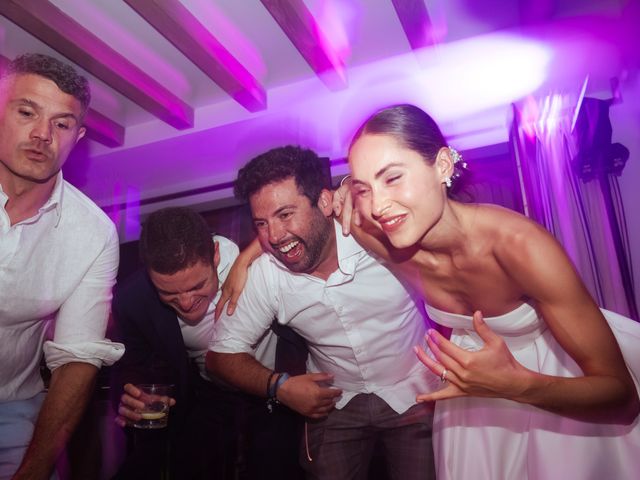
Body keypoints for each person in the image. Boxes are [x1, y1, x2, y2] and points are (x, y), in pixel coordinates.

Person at [335, 103, 640, 479]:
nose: (378, 206)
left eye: (393, 178)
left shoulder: (519, 246)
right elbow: (305, 214)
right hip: (474, 394)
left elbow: (623, 400)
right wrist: (246, 259)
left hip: (560, 381)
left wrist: (516, 385)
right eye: (366, 188)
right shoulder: (381, 237)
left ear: (443, 166)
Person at [206, 146, 439, 480]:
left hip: (416, 390)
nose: (273, 236)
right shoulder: (266, 275)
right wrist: (279, 387)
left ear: (326, 202)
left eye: (285, 215)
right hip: (335, 403)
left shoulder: (378, 234)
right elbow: (220, 356)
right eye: (261, 222)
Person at [111, 206, 304, 480]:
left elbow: (305, 228)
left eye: (196, 286)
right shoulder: (133, 301)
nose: (187, 303)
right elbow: (135, 365)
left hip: (274, 390)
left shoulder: (246, 261)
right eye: (169, 293)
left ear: (215, 255)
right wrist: (132, 395)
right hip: (211, 397)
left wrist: (249, 256)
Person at [0, 53, 123, 479]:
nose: (41, 134)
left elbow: (78, 358)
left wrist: (31, 472)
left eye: (62, 123)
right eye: (27, 111)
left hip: (12, 404)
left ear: (78, 136)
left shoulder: (94, 235)